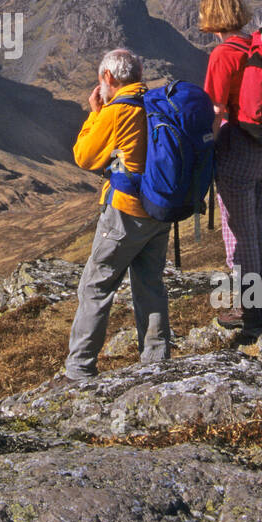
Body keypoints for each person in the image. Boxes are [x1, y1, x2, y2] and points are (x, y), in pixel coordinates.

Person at [63, 47, 172, 382]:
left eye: (102, 80)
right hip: (160, 209)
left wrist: (95, 113)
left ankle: (79, 369)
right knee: (149, 283)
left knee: (95, 285)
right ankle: (156, 359)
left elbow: (84, 156)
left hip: (126, 212)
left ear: (107, 78)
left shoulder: (116, 112)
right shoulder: (156, 101)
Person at [199, 0, 262, 332]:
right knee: (261, 231)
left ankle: (249, 312)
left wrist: (206, 147)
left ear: (212, 17)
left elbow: (215, 109)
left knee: (239, 234)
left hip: (238, 151)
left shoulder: (223, 54)